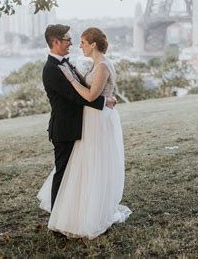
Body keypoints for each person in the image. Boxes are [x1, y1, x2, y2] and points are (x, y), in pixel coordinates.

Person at [37, 27, 131, 239]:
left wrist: (101, 97)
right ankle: (57, 222)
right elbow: (76, 96)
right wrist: (104, 101)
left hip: (84, 125)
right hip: (65, 128)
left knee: (78, 173)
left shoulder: (65, 63)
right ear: (55, 42)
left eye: (75, 40)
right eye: (67, 40)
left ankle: (75, 215)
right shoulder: (52, 69)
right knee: (63, 175)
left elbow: (83, 86)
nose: (72, 44)